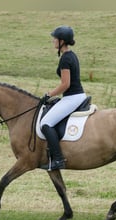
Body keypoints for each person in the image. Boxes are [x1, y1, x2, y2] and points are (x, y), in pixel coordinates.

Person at [40, 25, 87, 171]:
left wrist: (49, 94)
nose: (53, 41)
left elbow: (65, 84)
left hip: (72, 97)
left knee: (46, 123)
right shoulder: (71, 55)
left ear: (62, 41)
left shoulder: (65, 59)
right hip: (76, 96)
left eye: (55, 38)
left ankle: (58, 159)